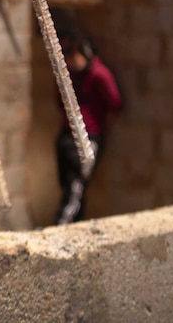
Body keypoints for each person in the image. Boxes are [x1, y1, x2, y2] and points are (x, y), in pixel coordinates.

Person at [55, 27, 122, 225]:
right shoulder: (69, 75)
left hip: (88, 137)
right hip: (67, 135)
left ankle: (61, 227)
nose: (69, 60)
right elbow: (59, 101)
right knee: (68, 185)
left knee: (76, 188)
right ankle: (74, 224)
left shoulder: (99, 74)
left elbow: (115, 103)